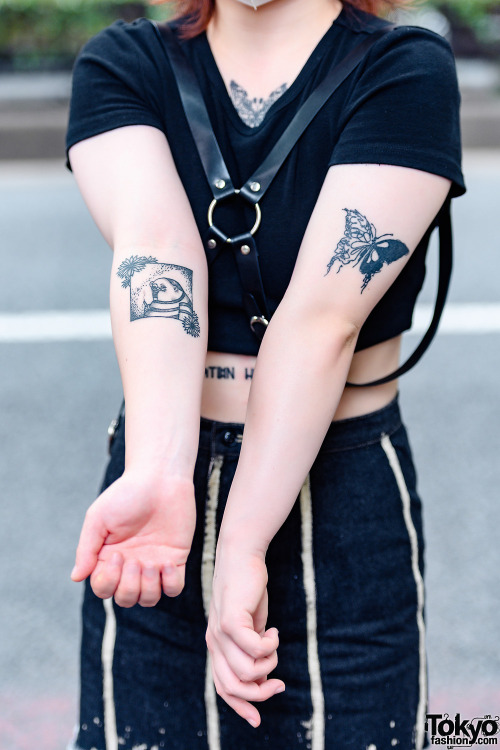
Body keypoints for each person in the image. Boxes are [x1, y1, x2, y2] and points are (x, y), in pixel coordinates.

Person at [65, 0, 465, 748]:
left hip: (342, 484)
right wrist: (157, 471)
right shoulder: (123, 65)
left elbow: (322, 318)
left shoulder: (404, 67)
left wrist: (241, 543)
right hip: (163, 498)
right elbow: (156, 250)